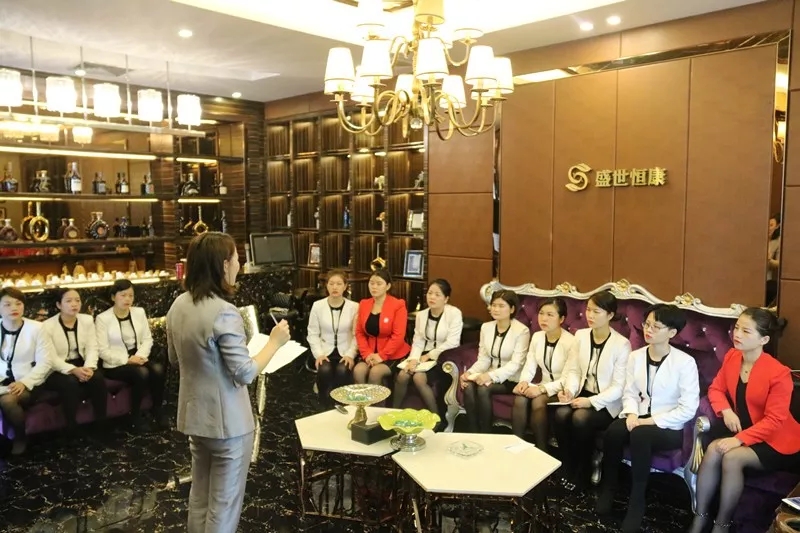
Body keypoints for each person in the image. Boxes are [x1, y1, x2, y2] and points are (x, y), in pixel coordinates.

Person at [167, 232, 290, 533]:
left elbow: (173, 358)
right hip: (229, 425)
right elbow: (244, 373)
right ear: (223, 264)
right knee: (224, 503)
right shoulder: (224, 311)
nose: (239, 265)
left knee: (200, 496)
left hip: (195, 418)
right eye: (236, 259)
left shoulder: (179, 304)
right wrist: (274, 343)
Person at [688, 308, 800, 533]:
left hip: (777, 441)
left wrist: (739, 439)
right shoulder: (732, 357)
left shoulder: (779, 373)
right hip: (747, 430)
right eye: (737, 327)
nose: (737, 334)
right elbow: (716, 389)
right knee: (713, 450)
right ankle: (700, 517)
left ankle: (722, 525)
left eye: (746, 331)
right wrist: (726, 411)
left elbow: (774, 421)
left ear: (764, 340)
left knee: (732, 457)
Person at [597, 303, 698, 533]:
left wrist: (646, 421)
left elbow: (688, 409)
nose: (648, 330)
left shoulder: (685, 363)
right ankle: (609, 487)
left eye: (656, 326)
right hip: (639, 414)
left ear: (672, 332)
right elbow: (630, 393)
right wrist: (632, 413)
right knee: (614, 431)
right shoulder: (636, 356)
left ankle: (637, 501)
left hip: (669, 426)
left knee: (641, 435)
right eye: (647, 324)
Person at [552, 290, 631, 488]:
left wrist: (590, 402)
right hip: (582, 393)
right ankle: (567, 464)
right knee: (560, 414)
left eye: (596, 311)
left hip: (607, 402)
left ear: (610, 315)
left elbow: (618, 387)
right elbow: (574, 370)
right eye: (588, 310)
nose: (590, 315)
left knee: (580, 418)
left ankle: (584, 470)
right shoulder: (581, 336)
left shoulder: (621, 344)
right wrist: (569, 391)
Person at [96, 279, 167, 431]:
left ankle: (157, 409)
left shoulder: (139, 312)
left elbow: (147, 339)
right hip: (115, 363)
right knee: (140, 374)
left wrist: (139, 356)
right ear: (113, 297)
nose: (127, 299)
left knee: (158, 370)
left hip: (138, 357)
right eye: (123, 295)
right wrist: (127, 360)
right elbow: (102, 351)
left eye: (130, 295)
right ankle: (134, 417)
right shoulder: (103, 319)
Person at [459, 290, 530, 434]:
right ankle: (473, 431)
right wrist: (470, 372)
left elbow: (516, 364)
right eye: (494, 305)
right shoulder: (486, 327)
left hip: (511, 379)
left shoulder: (522, 331)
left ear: (512, 309)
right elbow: (484, 359)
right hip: (489, 374)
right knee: (467, 385)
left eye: (501, 306)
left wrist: (490, 376)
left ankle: (486, 433)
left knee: (484, 388)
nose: (496, 309)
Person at [511, 297, 575, 449]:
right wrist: (524, 381)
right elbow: (530, 365)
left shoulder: (571, 342)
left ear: (561, 319)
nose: (544, 318)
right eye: (541, 313)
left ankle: (541, 450)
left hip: (562, 389)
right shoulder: (537, 337)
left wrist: (541, 389)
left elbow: (568, 378)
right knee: (520, 399)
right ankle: (516, 445)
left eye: (550, 315)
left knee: (538, 401)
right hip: (543, 384)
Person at [41, 288, 108, 432]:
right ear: (59, 305)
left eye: (77, 300)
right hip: (56, 368)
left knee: (97, 378)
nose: (74, 304)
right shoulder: (47, 326)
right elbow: (50, 357)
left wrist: (89, 367)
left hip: (82, 363)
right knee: (70, 382)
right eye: (69, 301)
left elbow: (92, 347)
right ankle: (71, 427)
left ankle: (101, 423)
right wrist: (73, 370)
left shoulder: (87, 320)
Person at [393, 279, 463, 415]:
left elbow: (453, 343)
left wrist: (429, 355)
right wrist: (413, 359)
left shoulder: (454, 314)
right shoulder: (421, 315)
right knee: (403, 375)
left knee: (419, 378)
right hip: (423, 356)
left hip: (445, 356)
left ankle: (436, 417)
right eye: (430, 293)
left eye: (437, 294)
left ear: (446, 299)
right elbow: (418, 341)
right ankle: (394, 411)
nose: (432, 297)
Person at [0, 287, 54, 454]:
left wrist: (24, 382)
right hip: (2, 381)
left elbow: (45, 362)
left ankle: (20, 438)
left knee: (8, 401)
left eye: (18, 303)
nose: (14, 308)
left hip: (30, 381)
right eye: (7, 304)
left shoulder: (37, 328)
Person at [307, 270, 359, 407]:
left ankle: (343, 405)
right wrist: (319, 354)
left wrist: (350, 354)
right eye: (331, 284)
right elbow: (312, 333)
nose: (335, 287)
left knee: (342, 371)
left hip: (346, 351)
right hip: (324, 351)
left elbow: (357, 335)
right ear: (327, 285)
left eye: (339, 284)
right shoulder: (318, 306)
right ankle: (324, 405)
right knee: (324, 370)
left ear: (345, 286)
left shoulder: (354, 307)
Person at [353, 270, 410, 385]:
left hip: (392, 353)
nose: (374, 287)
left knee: (375, 372)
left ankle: (376, 399)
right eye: (371, 283)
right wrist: (367, 354)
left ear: (388, 286)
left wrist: (381, 356)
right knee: (358, 371)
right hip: (369, 352)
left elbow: (398, 336)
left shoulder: (398, 305)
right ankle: (360, 398)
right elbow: (359, 332)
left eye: (379, 284)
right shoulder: (364, 304)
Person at [766, 213, 781, 306]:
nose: (768, 228)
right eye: (767, 225)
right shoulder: (759, 237)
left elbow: (780, 263)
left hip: (767, 279)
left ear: (777, 226)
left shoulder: (779, 241)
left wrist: (769, 259)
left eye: (771, 225)